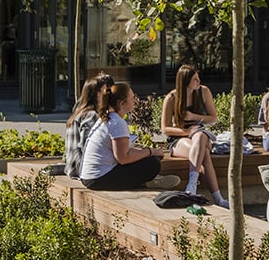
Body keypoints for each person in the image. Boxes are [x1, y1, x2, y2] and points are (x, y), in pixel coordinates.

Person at [161, 64, 229, 208]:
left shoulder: (204, 92)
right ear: (185, 81)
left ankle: (192, 186)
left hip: (201, 135)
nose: (198, 82)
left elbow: (213, 118)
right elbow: (165, 128)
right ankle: (218, 198)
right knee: (203, 153)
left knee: (200, 136)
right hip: (180, 138)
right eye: (194, 79)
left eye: (198, 79)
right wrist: (187, 132)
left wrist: (193, 116)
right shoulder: (172, 98)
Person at [78, 80, 165, 191]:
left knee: (144, 157)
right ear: (122, 103)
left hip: (90, 176)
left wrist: (142, 151)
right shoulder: (117, 123)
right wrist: (150, 151)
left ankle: (147, 182)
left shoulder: (107, 118)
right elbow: (123, 158)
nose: (135, 100)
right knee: (152, 164)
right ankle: (148, 181)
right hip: (98, 178)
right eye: (132, 98)